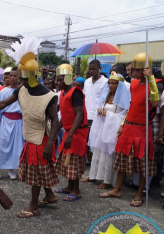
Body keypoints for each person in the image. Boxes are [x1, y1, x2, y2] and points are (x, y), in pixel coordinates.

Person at [0, 36, 60, 217]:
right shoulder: (21, 90)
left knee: (36, 172)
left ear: (34, 76)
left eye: (25, 79)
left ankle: (33, 206)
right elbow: (3, 104)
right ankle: (50, 195)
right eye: (21, 78)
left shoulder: (49, 95)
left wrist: (51, 143)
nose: (23, 82)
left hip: (42, 139)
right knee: (37, 170)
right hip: (29, 136)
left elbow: (56, 122)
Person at [99, 53, 161, 207]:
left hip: (142, 129)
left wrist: (151, 78)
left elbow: (156, 102)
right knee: (121, 160)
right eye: (133, 69)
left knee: (142, 164)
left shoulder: (154, 84)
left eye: (137, 70)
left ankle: (139, 193)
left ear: (145, 69)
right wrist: (122, 125)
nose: (133, 72)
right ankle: (117, 189)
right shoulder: (133, 84)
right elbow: (131, 106)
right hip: (128, 127)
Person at [86, 72, 130, 189]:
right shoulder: (106, 96)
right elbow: (101, 108)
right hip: (102, 128)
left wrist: (108, 114)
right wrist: (100, 111)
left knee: (109, 155)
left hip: (112, 130)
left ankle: (107, 180)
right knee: (99, 152)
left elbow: (122, 116)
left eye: (114, 83)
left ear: (119, 85)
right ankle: (93, 175)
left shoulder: (123, 99)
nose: (110, 85)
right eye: (109, 83)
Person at [54, 64, 89, 202]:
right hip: (69, 131)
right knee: (67, 161)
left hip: (77, 132)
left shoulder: (75, 92)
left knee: (73, 160)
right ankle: (69, 187)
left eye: (60, 80)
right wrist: (55, 130)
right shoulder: (62, 93)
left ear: (68, 78)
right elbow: (65, 115)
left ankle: (76, 191)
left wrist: (70, 135)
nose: (58, 82)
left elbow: (79, 115)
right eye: (57, 80)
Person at [0, 66, 24, 181]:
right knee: (1, 146)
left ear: (19, 77)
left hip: (19, 123)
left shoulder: (23, 91)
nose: (12, 78)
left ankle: (11, 170)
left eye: (15, 75)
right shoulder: (3, 91)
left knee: (17, 148)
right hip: (5, 122)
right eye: (10, 76)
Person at [84, 60, 108, 127]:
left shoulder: (105, 82)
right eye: (90, 69)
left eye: (94, 69)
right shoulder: (87, 82)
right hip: (87, 115)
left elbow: (105, 100)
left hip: (98, 116)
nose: (91, 71)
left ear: (99, 68)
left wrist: (100, 113)